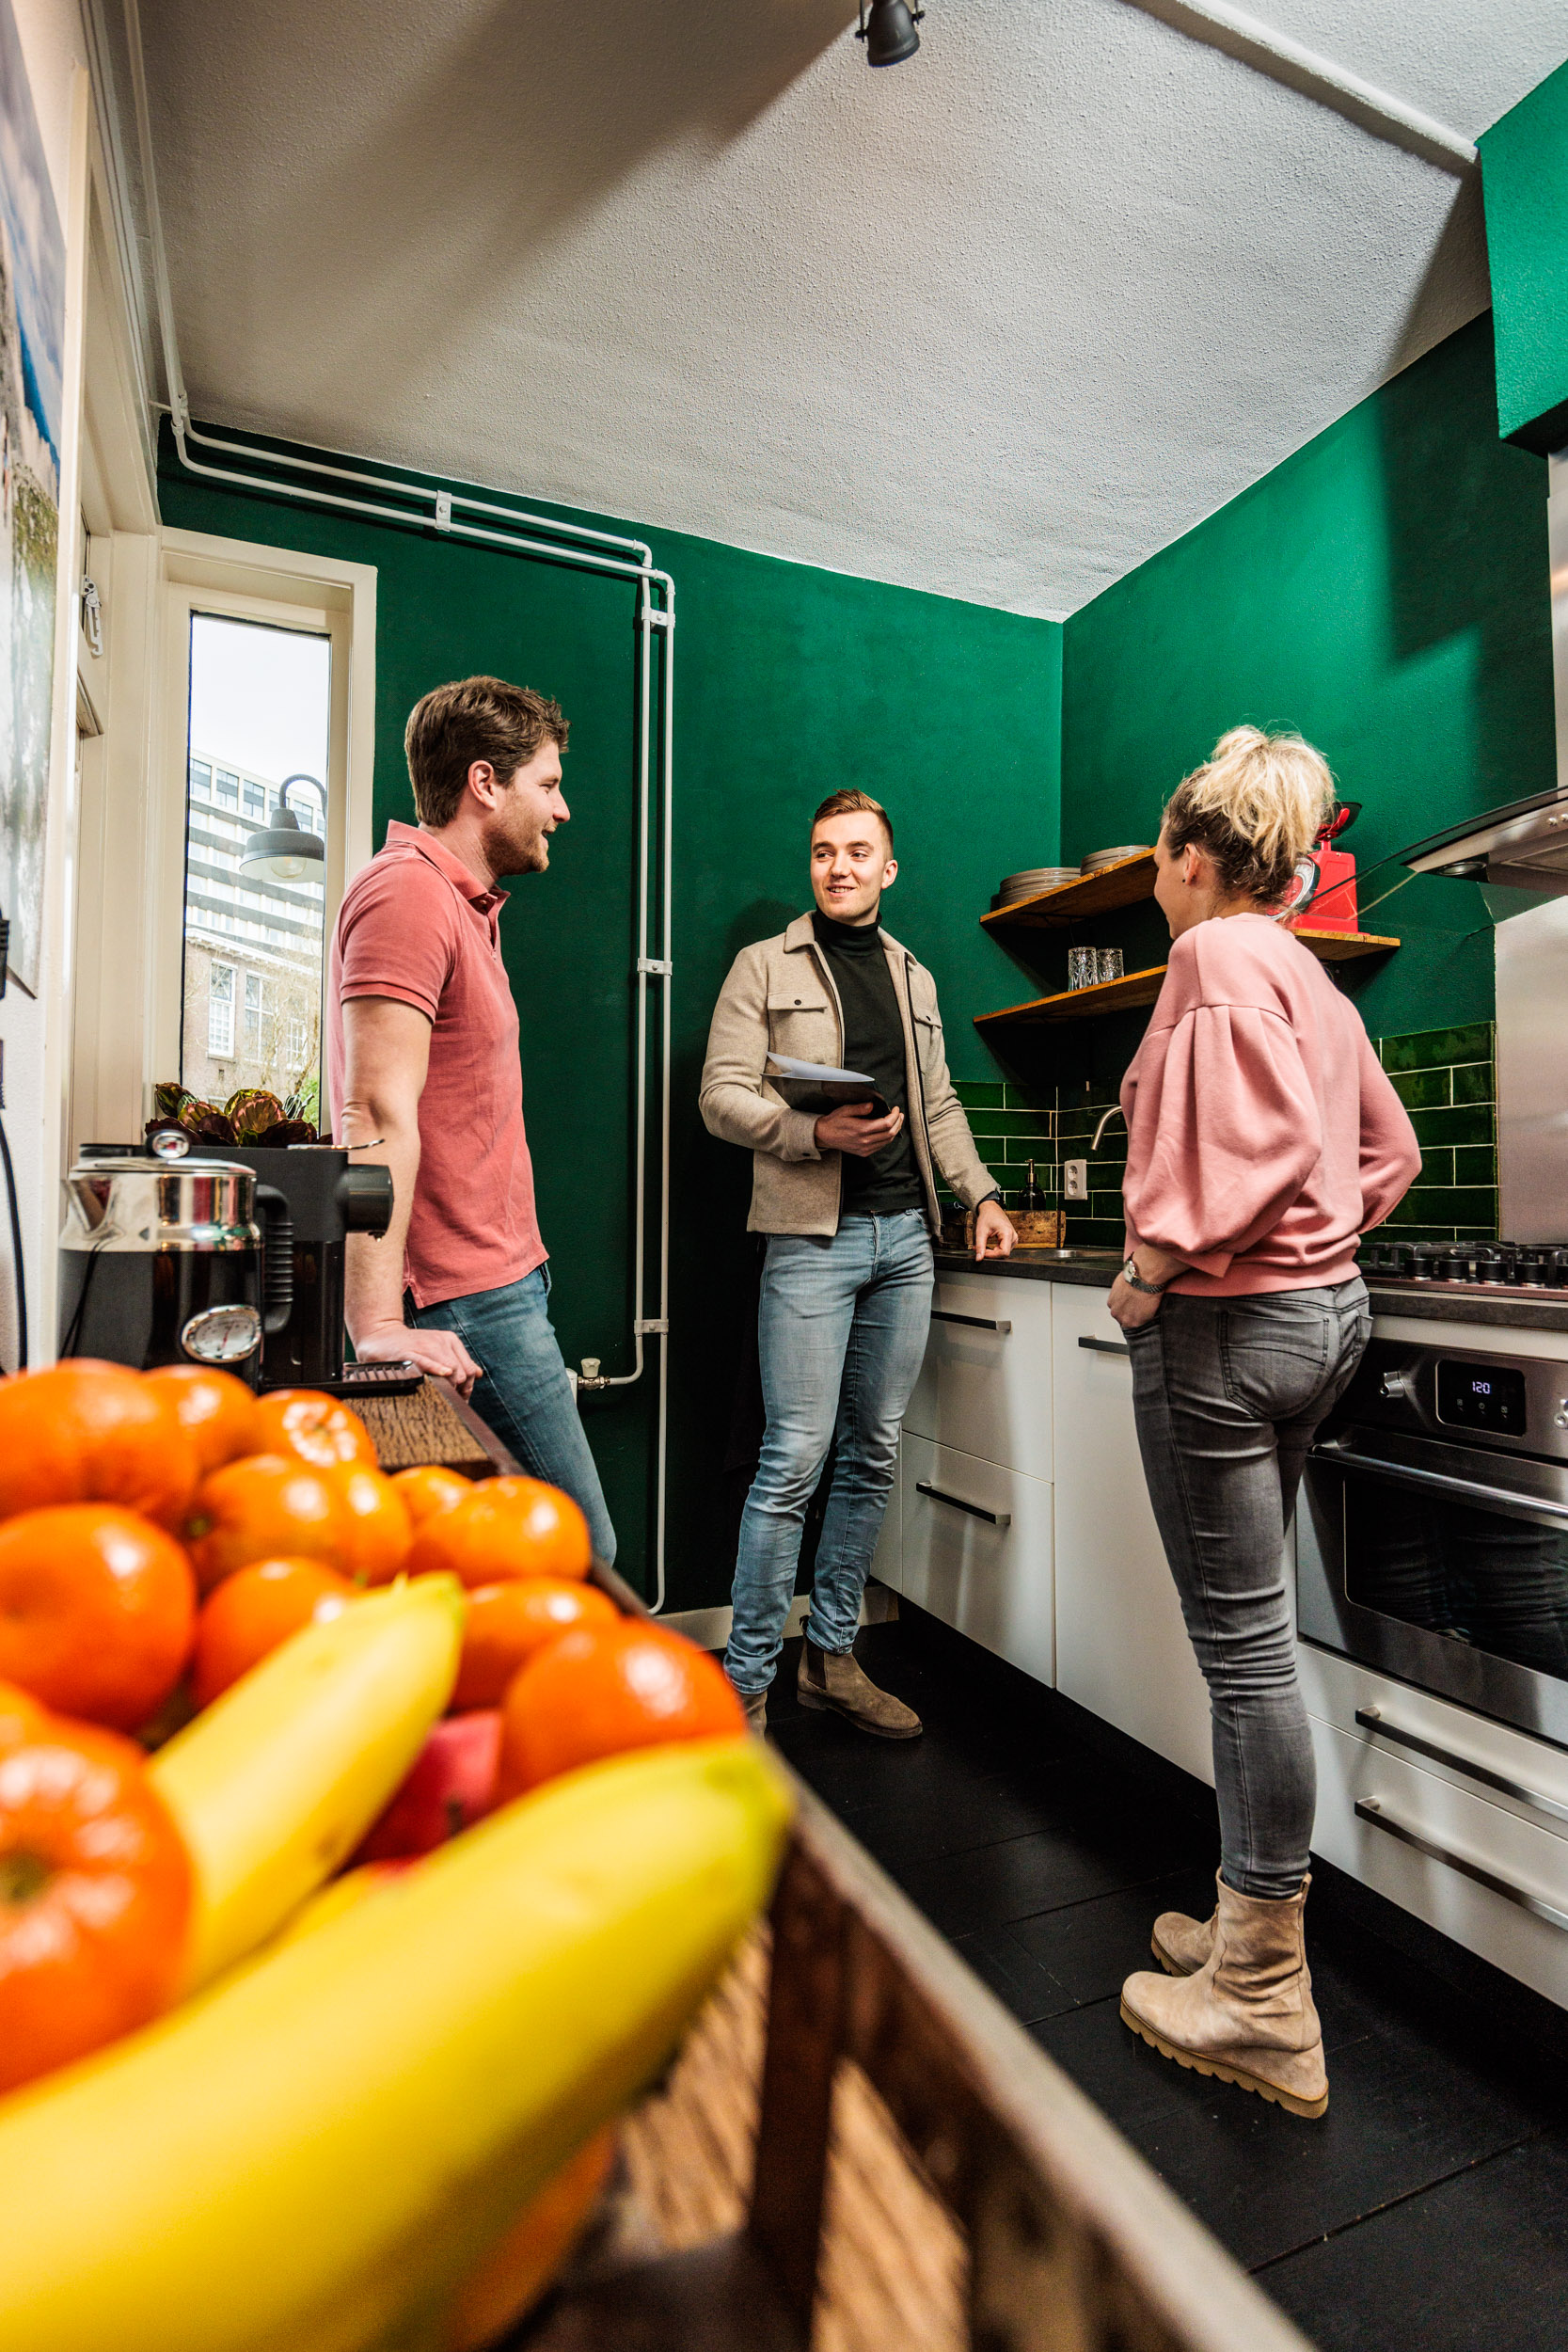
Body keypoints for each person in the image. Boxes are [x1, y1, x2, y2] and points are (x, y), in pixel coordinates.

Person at [1107, 726, 1419, 2120]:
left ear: (1186, 855)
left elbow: (1247, 1157)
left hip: (1224, 1328)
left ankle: (1257, 1999)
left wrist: (1147, 1270)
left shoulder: (1211, 955)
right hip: (1320, 1320)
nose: (1151, 885)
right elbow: (1383, 1155)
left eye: (1154, 862)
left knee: (1241, 1657)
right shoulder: (1309, 975)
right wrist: (1317, 1248)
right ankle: (1243, 1932)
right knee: (1260, 1641)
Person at [700, 789, 1016, 1738]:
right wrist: (807, 1129)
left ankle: (830, 1660)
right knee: (792, 1458)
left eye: (856, 852)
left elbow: (938, 1106)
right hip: (807, 1242)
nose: (837, 866)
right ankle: (747, 1684)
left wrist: (982, 1196)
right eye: (821, 852)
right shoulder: (763, 965)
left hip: (906, 1242)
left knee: (871, 1454)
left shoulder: (913, 978)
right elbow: (718, 1095)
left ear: (887, 868)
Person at [325, 674, 616, 1565]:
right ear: (485, 783)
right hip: (464, 1294)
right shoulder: (408, 894)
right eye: (550, 785)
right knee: (581, 1556)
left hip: (499, 1280)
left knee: (519, 1563)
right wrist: (375, 1323)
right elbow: (372, 1109)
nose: (561, 810)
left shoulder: (462, 905)